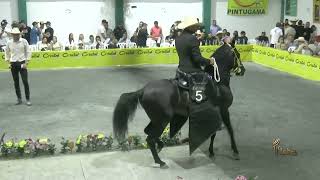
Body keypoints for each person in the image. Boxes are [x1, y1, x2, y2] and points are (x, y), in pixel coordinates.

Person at [5, 28, 32, 106]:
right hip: (13, 63)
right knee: (16, 82)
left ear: (19, 34)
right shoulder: (9, 42)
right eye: (14, 34)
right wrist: (8, 62)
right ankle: (19, 99)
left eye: (17, 34)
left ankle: (28, 99)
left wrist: (26, 63)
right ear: (12, 35)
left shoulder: (24, 41)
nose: (16, 36)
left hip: (22, 63)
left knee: (25, 81)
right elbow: (6, 53)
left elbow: (28, 52)